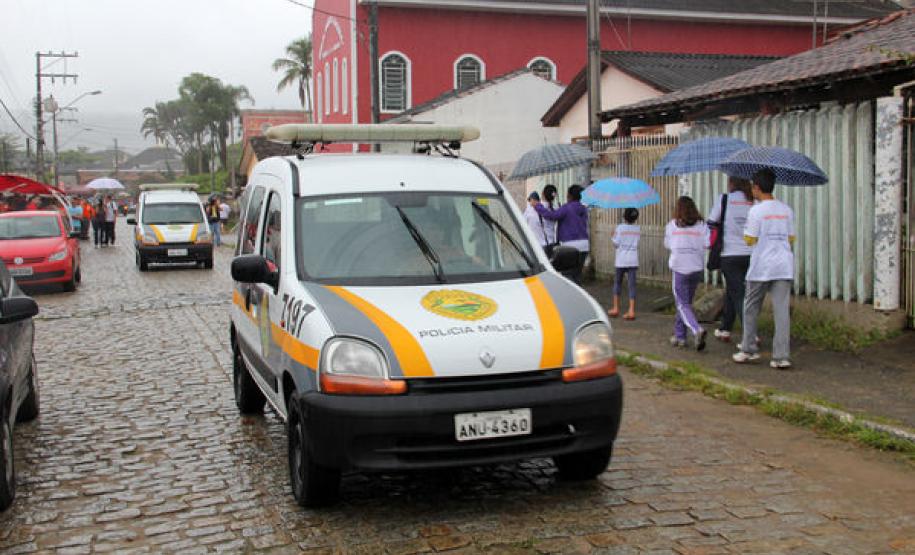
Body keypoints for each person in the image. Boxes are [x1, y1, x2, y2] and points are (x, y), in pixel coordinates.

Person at [733, 168, 795, 369]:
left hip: (761, 266)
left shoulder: (756, 211)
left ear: (757, 188)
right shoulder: (786, 209)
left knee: (750, 308)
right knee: (781, 311)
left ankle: (748, 349)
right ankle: (781, 357)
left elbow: (750, 239)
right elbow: (791, 238)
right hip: (784, 265)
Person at [708, 177, 755, 342]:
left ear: (732, 183)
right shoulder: (752, 201)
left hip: (730, 253)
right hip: (750, 254)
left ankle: (750, 335)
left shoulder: (725, 199)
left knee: (739, 293)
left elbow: (711, 221)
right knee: (733, 291)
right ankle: (725, 328)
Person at [664, 196, 710, 351]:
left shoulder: (672, 226)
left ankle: (697, 330)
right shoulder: (702, 226)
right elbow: (707, 244)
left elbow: (668, 244)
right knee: (685, 305)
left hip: (679, 268)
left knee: (682, 304)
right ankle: (680, 336)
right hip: (696, 268)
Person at [533, 184, 589, 284]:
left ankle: (570, 296)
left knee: (567, 275)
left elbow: (552, 216)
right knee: (577, 275)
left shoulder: (567, 208)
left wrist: (538, 206)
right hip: (584, 245)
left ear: (570, 196)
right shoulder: (583, 208)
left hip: (570, 246)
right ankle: (578, 295)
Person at [609, 208, 640, 320]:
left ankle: (616, 308)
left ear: (624, 216)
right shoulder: (637, 229)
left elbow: (616, 244)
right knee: (631, 285)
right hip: (633, 259)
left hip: (621, 260)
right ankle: (631, 310)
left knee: (617, 283)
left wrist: (612, 236)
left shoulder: (620, 227)